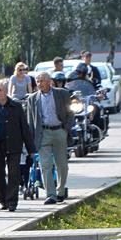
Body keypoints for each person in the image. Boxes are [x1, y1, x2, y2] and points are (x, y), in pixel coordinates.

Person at [26, 71, 73, 204]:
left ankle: (60, 191)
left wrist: (66, 129)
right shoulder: (32, 98)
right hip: (43, 134)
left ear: (49, 81)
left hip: (59, 131)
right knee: (45, 165)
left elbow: (70, 112)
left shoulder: (62, 93)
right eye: (37, 81)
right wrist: (30, 141)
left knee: (62, 164)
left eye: (42, 81)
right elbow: (30, 121)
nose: (39, 84)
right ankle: (50, 195)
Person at [0, 81, 35, 212]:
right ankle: (3, 200)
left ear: (6, 92)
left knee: (13, 173)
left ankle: (12, 202)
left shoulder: (16, 107)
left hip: (14, 144)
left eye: (1, 90)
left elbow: (24, 128)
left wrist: (31, 149)